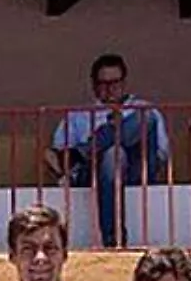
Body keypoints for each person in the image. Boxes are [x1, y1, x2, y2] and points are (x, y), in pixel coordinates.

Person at [46, 53, 169, 249]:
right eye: (103, 84)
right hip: (95, 174)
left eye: (115, 83)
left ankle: (85, 150)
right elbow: (54, 155)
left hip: (137, 170)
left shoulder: (143, 109)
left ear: (124, 82)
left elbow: (161, 155)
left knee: (145, 118)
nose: (110, 89)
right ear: (93, 85)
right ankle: (114, 241)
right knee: (113, 154)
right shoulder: (78, 116)